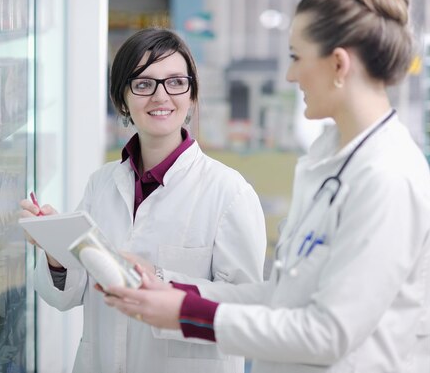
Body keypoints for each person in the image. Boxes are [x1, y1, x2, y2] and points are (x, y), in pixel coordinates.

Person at [103, 0, 430, 373]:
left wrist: (187, 314)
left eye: (296, 57)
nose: (291, 75)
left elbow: (328, 334)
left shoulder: (388, 176)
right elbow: (283, 295)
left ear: (339, 64)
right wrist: (174, 291)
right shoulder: (332, 162)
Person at [19, 28, 267, 373]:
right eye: (143, 84)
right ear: (122, 99)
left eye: (176, 82)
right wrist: (55, 253)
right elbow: (66, 296)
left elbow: (246, 309)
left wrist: (159, 278)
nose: (161, 96)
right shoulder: (101, 183)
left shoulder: (228, 191)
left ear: (191, 95)